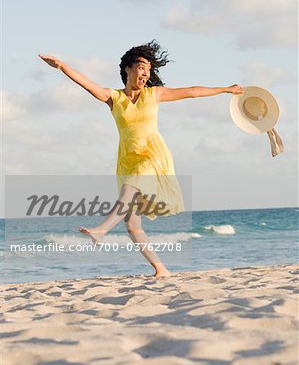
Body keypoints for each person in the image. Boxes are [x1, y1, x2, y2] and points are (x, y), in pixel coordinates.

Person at [39, 40, 244, 277]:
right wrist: (62, 66)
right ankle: (161, 268)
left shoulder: (154, 95)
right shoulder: (113, 97)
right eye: (141, 68)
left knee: (129, 190)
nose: (145, 74)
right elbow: (86, 84)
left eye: (148, 70)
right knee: (132, 224)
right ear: (128, 68)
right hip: (128, 159)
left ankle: (102, 230)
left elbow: (192, 92)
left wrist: (225, 89)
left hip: (153, 156)